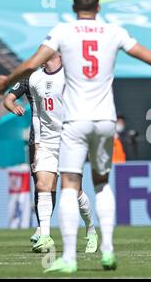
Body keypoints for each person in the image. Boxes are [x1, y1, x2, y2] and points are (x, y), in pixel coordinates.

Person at [0, 0, 151, 273]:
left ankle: (70, 258)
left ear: (74, 7)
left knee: (71, 185)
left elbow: (32, 63)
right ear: (99, 7)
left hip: (75, 120)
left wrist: (7, 80)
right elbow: (150, 57)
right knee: (101, 184)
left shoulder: (63, 31)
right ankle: (108, 251)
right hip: (105, 119)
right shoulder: (113, 31)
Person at [26, 52, 98, 254]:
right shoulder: (35, 78)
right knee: (42, 185)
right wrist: (38, 143)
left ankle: (91, 230)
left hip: (70, 141)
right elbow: (37, 114)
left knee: (74, 191)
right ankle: (45, 237)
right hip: (47, 143)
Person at [3, 77, 44, 244]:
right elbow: (8, 99)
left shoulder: (65, 75)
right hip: (38, 139)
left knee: (74, 187)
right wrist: (13, 107)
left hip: (65, 136)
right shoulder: (31, 79)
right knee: (41, 184)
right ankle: (42, 229)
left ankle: (90, 229)